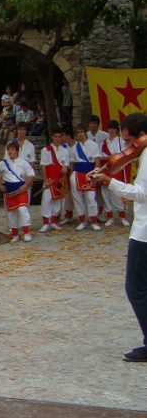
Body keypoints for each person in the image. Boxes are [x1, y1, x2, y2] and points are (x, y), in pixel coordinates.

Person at [88, 112, 147, 362]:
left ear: (138, 136)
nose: (127, 148)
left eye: (128, 141)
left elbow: (142, 194)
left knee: (135, 288)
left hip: (145, 233)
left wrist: (109, 182)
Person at [0, 142, 35, 242]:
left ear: (17, 150)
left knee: (22, 210)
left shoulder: (23, 162)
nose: (10, 151)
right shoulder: (3, 163)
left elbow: (31, 175)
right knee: (11, 213)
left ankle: (26, 233)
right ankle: (15, 235)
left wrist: (25, 185)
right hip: (9, 192)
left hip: (21, 190)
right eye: (9, 149)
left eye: (12, 149)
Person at [69, 124, 102, 231]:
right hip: (77, 174)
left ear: (85, 132)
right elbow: (72, 163)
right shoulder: (74, 147)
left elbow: (97, 161)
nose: (80, 134)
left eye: (81, 132)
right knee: (78, 198)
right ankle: (82, 221)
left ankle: (94, 221)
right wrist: (71, 175)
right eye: (78, 133)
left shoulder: (93, 145)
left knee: (91, 197)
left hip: (90, 173)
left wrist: (95, 175)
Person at [99, 121, 131, 227]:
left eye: (113, 128)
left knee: (117, 192)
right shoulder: (104, 142)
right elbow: (101, 156)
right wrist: (111, 156)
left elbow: (121, 154)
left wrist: (111, 156)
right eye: (110, 128)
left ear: (117, 130)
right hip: (106, 169)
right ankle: (110, 216)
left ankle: (122, 216)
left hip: (117, 169)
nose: (111, 130)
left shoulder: (121, 141)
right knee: (106, 193)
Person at [39, 129, 70, 233]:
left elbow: (66, 165)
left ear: (62, 138)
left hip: (60, 179)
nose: (57, 139)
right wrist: (46, 180)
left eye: (59, 137)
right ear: (52, 137)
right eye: (55, 136)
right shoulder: (46, 150)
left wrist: (65, 168)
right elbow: (43, 167)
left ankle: (53, 221)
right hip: (50, 179)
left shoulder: (65, 151)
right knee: (47, 200)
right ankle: (45, 223)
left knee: (58, 201)